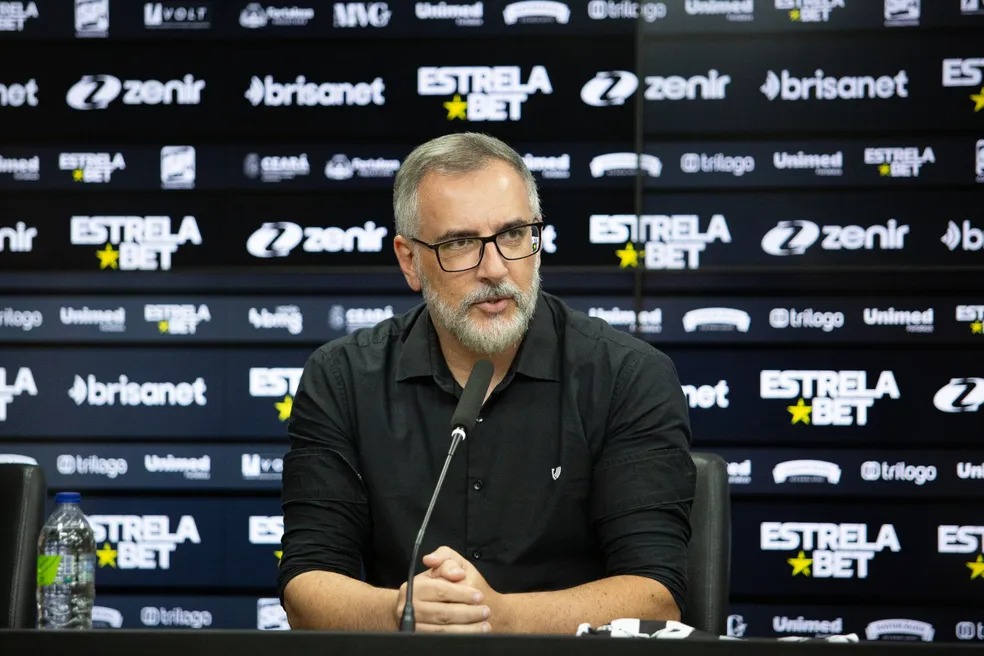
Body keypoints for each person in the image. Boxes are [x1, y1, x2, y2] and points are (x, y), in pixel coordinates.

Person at [278, 132, 696, 634]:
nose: (496, 269)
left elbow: (656, 595)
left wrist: (502, 617)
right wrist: (397, 612)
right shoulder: (342, 379)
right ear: (409, 260)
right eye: (460, 243)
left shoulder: (627, 375)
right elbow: (307, 583)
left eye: (515, 234)